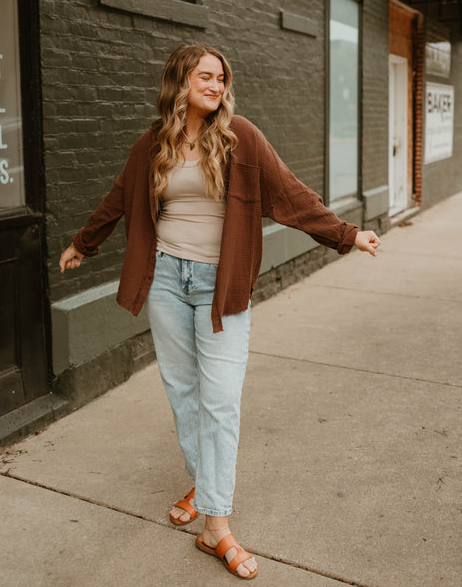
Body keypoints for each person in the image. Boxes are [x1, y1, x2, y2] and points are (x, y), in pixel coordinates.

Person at [59, 43, 380, 580]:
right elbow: (118, 199)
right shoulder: (153, 144)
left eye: (221, 78)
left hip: (220, 284)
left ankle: (217, 528)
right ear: (179, 81)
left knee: (221, 402)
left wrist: (346, 234)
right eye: (205, 76)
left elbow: (289, 193)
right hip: (164, 280)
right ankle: (207, 496)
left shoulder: (240, 137)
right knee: (185, 396)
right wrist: (84, 244)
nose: (217, 85)